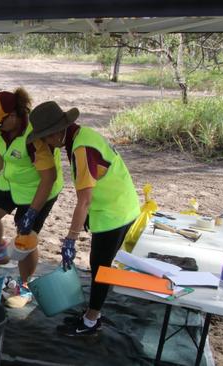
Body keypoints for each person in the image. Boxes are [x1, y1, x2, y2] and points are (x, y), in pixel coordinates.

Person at [27, 101, 140, 336]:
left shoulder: (81, 148)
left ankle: (91, 321)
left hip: (114, 211)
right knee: (100, 264)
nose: (46, 143)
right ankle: (92, 313)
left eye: (46, 138)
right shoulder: (81, 136)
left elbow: (84, 200)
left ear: (56, 132)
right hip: (117, 204)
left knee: (100, 268)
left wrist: (71, 238)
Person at [0, 89, 63, 294]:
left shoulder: (36, 136)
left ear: (13, 115)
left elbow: (48, 177)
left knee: (26, 241)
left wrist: (32, 212)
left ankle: (24, 285)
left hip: (38, 188)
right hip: (11, 182)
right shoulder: (1, 129)